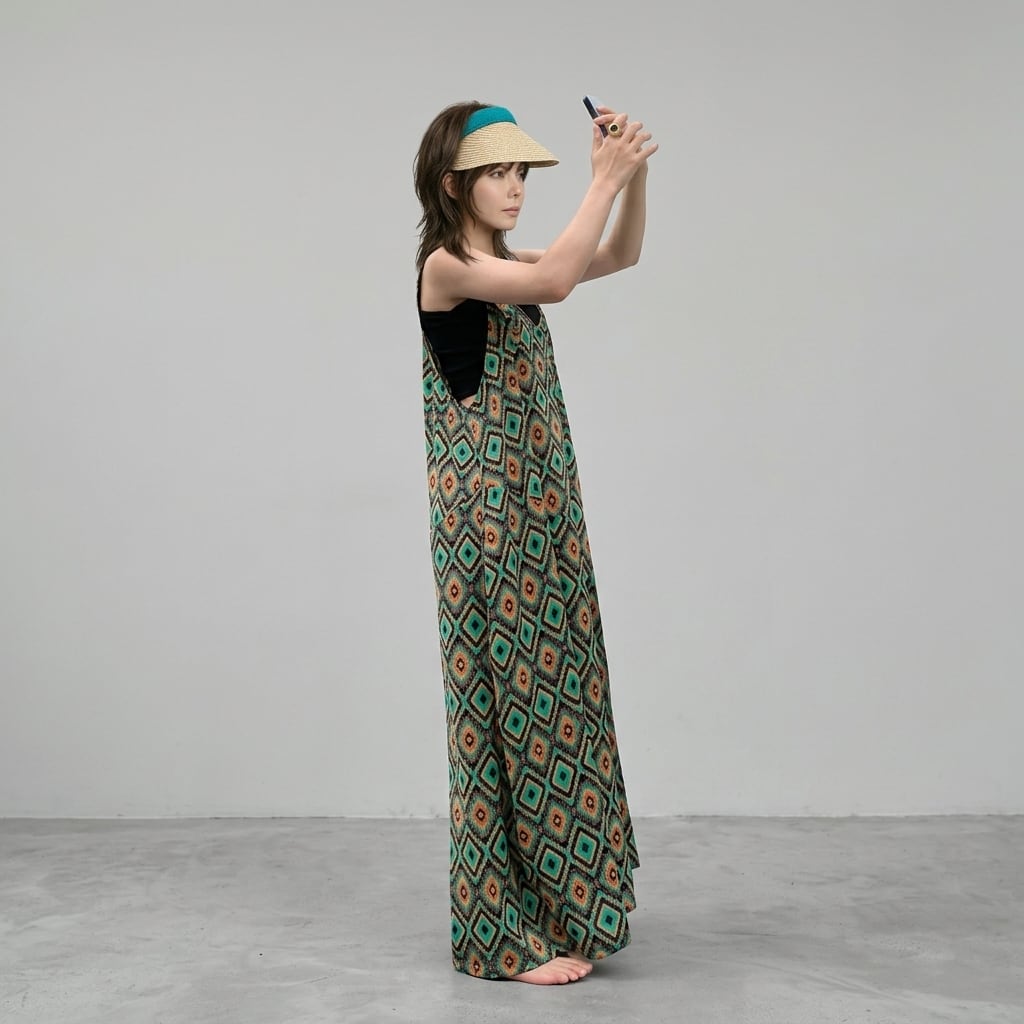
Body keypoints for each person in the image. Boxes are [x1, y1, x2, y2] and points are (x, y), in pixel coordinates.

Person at [413, 100, 657, 986]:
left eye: (521, 173)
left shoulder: (507, 263)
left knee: (560, 701)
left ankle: (556, 908)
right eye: (498, 174)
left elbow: (618, 255)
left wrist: (633, 175)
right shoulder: (448, 267)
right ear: (454, 186)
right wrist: (603, 178)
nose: (516, 188)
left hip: (539, 514)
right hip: (489, 528)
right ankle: (497, 936)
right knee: (503, 714)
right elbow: (557, 282)